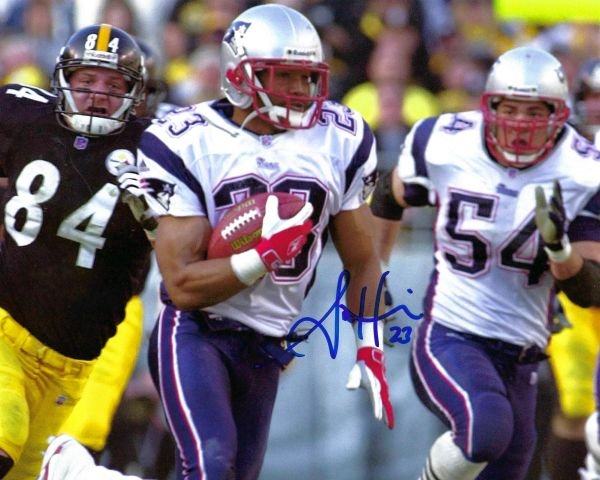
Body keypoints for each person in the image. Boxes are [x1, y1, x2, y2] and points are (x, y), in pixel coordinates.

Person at [38, 4, 395, 480]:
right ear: (239, 75)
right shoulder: (186, 139)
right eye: (282, 76)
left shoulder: (341, 137)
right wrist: (263, 255)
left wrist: (370, 343)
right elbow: (183, 285)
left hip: (268, 340)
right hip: (197, 330)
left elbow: (363, 259)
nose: (298, 91)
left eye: (307, 78)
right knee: (211, 465)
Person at [370, 45, 600, 480]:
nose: (519, 124)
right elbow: (388, 195)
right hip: (452, 334)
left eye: (534, 112)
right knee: (485, 430)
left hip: (523, 352)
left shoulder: (583, 171)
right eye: (509, 109)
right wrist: (373, 273)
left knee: (510, 465)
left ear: (558, 115)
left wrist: (560, 250)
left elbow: (591, 290)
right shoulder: (445, 141)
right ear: (489, 106)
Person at [0, 23, 153, 480]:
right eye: (86, 81)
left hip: (72, 365)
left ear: (134, 93)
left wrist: (155, 216)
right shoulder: (24, 115)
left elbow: (186, 245)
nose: (97, 95)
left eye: (113, 85)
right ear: (63, 80)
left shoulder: (154, 150)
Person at [541, 57, 600, 480]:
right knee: (578, 401)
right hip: (578, 289)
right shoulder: (564, 152)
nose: (598, 106)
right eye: (593, 96)